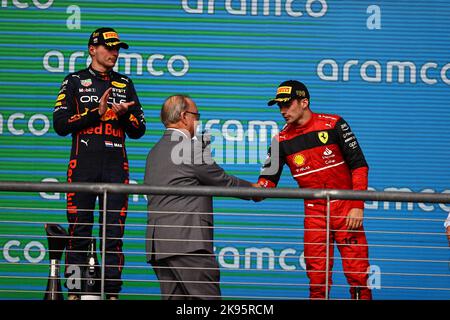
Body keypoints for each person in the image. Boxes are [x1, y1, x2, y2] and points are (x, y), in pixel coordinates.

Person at [53, 27, 146, 299]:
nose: (114, 53)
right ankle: (74, 293)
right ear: (92, 49)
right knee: (79, 230)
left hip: (116, 166)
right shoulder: (73, 81)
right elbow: (60, 124)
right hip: (83, 164)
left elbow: (139, 129)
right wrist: (98, 113)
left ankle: (113, 293)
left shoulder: (125, 83)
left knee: (113, 235)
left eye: (117, 48)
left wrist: (122, 116)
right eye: (109, 47)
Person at [256, 80, 372, 300]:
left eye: (287, 105)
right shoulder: (279, 140)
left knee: (358, 277)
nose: (282, 111)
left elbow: (359, 166)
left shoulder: (334, 124)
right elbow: (266, 182)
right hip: (314, 213)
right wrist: (233, 185)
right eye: (279, 106)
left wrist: (357, 206)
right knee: (317, 281)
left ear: (304, 102)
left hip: (347, 209)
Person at [144, 95, 257, 300]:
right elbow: (222, 180)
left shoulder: (154, 151)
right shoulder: (188, 148)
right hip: (187, 243)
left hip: (159, 245)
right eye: (197, 116)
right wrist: (256, 190)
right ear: (184, 117)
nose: (198, 122)